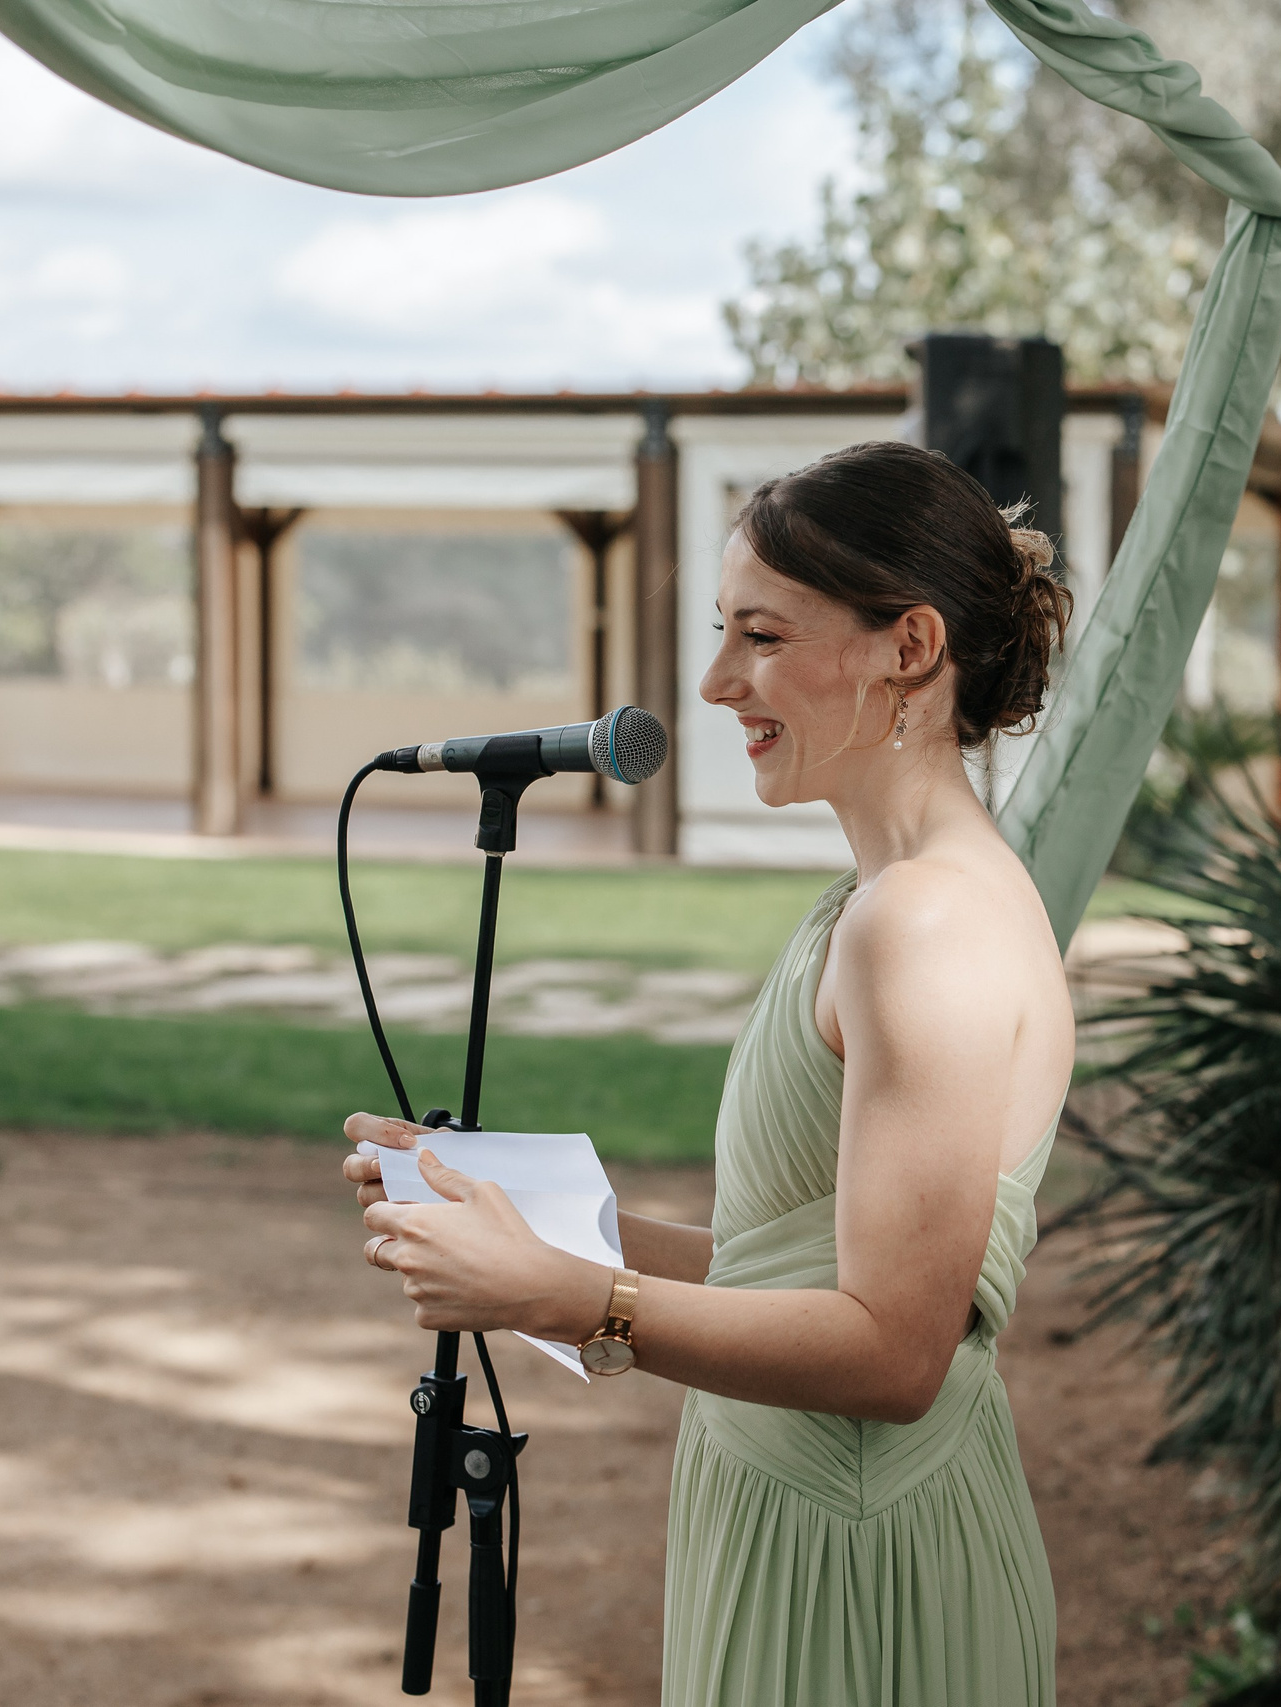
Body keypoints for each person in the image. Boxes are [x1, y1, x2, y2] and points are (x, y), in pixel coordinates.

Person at [342, 439, 1078, 1707]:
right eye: (722, 632)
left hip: (856, 1558)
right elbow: (786, 1261)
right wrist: (520, 1223)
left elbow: (893, 1354)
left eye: (763, 636)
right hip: (794, 1511)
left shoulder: (926, 925)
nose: (716, 681)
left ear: (909, 646)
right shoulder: (881, 902)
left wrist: (579, 1299)